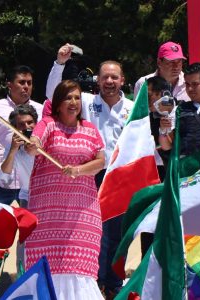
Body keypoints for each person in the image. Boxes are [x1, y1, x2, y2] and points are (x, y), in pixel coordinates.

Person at [46, 44, 133, 297]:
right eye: (104, 76)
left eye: (114, 77)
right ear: (97, 79)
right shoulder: (84, 101)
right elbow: (54, 95)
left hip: (120, 177)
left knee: (117, 234)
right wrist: (60, 64)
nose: (108, 81)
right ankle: (91, 283)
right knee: (90, 232)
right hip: (88, 174)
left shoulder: (133, 107)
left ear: (122, 80)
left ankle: (114, 284)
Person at [24, 80, 105, 299]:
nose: (73, 102)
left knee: (79, 268)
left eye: (77, 97)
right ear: (58, 103)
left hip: (83, 214)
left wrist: (78, 170)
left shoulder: (90, 129)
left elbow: (100, 161)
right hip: (47, 215)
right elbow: (34, 144)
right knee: (48, 268)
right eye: (68, 98)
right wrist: (33, 145)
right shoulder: (48, 124)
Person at [0, 65, 43, 205]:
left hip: (31, 184)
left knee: (31, 226)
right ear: (9, 84)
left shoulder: (41, 110)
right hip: (0, 183)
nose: (26, 86)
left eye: (29, 83)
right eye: (21, 82)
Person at [0, 104, 38, 275]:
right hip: (27, 198)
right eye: (21, 125)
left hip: (48, 198)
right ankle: (22, 277)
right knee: (25, 243)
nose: (27, 127)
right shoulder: (12, 148)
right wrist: (14, 150)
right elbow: (3, 177)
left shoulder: (45, 142)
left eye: (30, 123)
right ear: (14, 128)